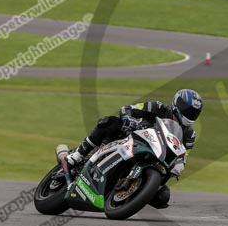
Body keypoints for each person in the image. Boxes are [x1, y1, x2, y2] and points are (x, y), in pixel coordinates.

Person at [66, 89, 203, 208]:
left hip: (156, 158)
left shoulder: (190, 135)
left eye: (194, 113)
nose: (190, 115)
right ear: (177, 104)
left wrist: (179, 166)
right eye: (187, 110)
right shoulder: (159, 107)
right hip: (132, 138)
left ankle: (132, 191)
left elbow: (183, 156)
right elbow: (128, 108)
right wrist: (128, 118)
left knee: (163, 196)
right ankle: (78, 154)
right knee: (109, 122)